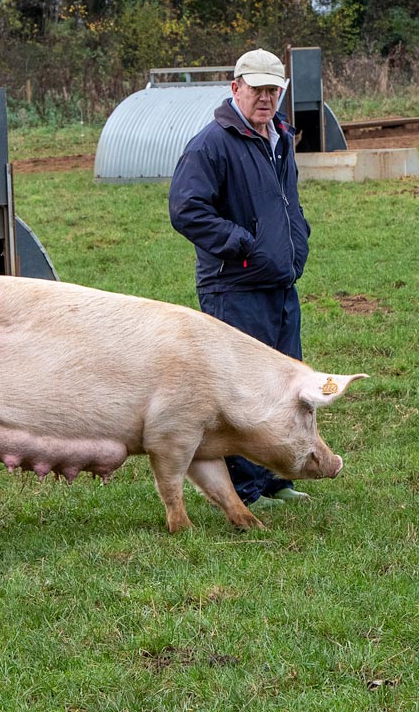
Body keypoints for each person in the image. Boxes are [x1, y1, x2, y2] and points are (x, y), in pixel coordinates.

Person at [168, 48, 312, 509]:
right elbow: (185, 210)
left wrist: (297, 239)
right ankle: (245, 490)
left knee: (282, 383)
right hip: (234, 287)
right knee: (242, 392)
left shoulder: (280, 136)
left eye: (273, 90)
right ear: (236, 88)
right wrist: (244, 243)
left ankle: (275, 479)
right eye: (257, 89)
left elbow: (287, 201)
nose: (266, 98)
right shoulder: (211, 143)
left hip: (279, 284)